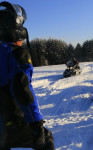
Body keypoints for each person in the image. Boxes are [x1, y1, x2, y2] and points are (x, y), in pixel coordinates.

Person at [0, 1, 54, 149]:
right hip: (9, 125)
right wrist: (36, 124)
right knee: (46, 140)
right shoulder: (16, 54)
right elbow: (21, 88)